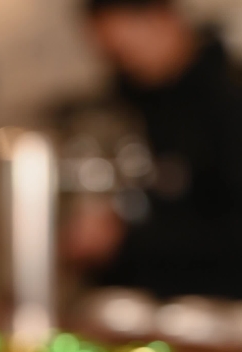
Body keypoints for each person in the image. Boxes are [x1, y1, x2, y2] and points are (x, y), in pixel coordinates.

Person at [63, 0, 242, 299]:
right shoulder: (121, 103)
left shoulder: (229, 102)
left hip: (218, 305)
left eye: (126, 51)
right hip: (132, 304)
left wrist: (125, 241)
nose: (126, 64)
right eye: (114, 55)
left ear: (164, 19)